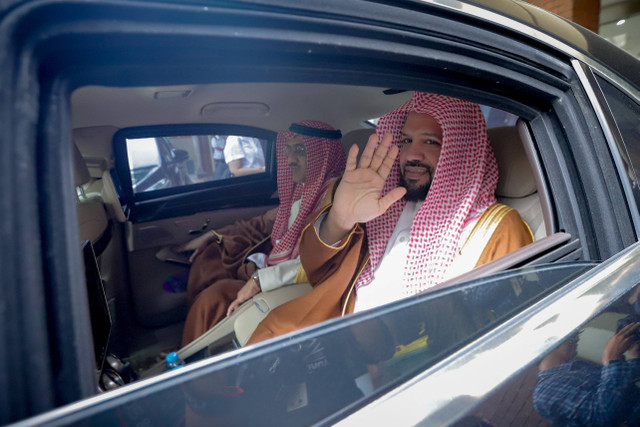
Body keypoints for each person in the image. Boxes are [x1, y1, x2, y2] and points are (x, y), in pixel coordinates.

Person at [247, 92, 533, 345]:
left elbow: (506, 333)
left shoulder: (496, 229)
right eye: (406, 140)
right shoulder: (384, 206)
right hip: (336, 333)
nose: (411, 154)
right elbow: (316, 269)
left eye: (430, 141)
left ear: (459, 150)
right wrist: (340, 218)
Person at [180, 121, 346, 345]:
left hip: (294, 282)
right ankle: (191, 341)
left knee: (214, 297)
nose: (289, 159)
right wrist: (213, 235)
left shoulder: (335, 201)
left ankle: (190, 359)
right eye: (289, 150)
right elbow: (265, 221)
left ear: (322, 156)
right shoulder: (305, 190)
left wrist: (260, 280)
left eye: (300, 151)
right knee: (209, 260)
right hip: (272, 267)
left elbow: (320, 260)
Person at [533, 323, 640, 426]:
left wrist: (633, 356)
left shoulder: (578, 365)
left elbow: (620, 386)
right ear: (548, 345)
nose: (577, 339)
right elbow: (602, 416)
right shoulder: (545, 391)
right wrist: (612, 358)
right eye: (570, 337)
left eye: (576, 335)